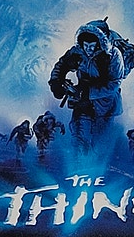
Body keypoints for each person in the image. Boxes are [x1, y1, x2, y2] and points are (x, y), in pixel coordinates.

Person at [49, 21, 124, 156]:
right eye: (86, 45)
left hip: (105, 106)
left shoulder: (113, 55)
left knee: (99, 141)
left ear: (100, 43)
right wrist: (56, 82)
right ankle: (80, 161)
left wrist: (87, 93)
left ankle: (97, 161)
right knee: (78, 133)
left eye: (92, 46)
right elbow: (60, 65)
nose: (88, 49)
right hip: (82, 102)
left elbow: (114, 84)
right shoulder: (77, 52)